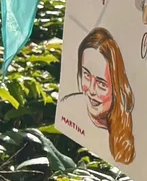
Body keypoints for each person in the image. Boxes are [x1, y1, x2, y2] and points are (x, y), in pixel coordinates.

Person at [56, 28, 135, 164]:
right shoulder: (68, 105)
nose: (91, 90)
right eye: (86, 74)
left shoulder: (124, 134)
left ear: (117, 86)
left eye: (101, 83)